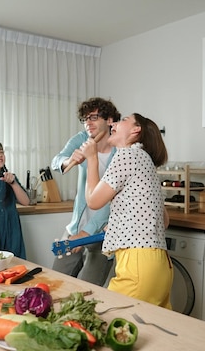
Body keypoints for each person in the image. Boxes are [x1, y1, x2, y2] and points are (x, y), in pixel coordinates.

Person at [80, 113, 172, 308]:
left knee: (109, 320)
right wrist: (118, 224)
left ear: (135, 130)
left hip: (138, 264)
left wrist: (92, 158)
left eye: (122, 120)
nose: (113, 123)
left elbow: (94, 201)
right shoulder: (144, 160)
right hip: (159, 264)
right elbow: (163, 221)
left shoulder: (128, 155)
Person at [50, 97, 121, 286]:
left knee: (89, 289)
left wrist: (86, 233)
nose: (88, 123)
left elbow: (112, 200)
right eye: (85, 119)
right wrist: (68, 160)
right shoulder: (82, 139)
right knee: (56, 279)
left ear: (109, 120)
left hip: (104, 230)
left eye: (94, 117)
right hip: (77, 225)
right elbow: (57, 161)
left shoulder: (121, 152)